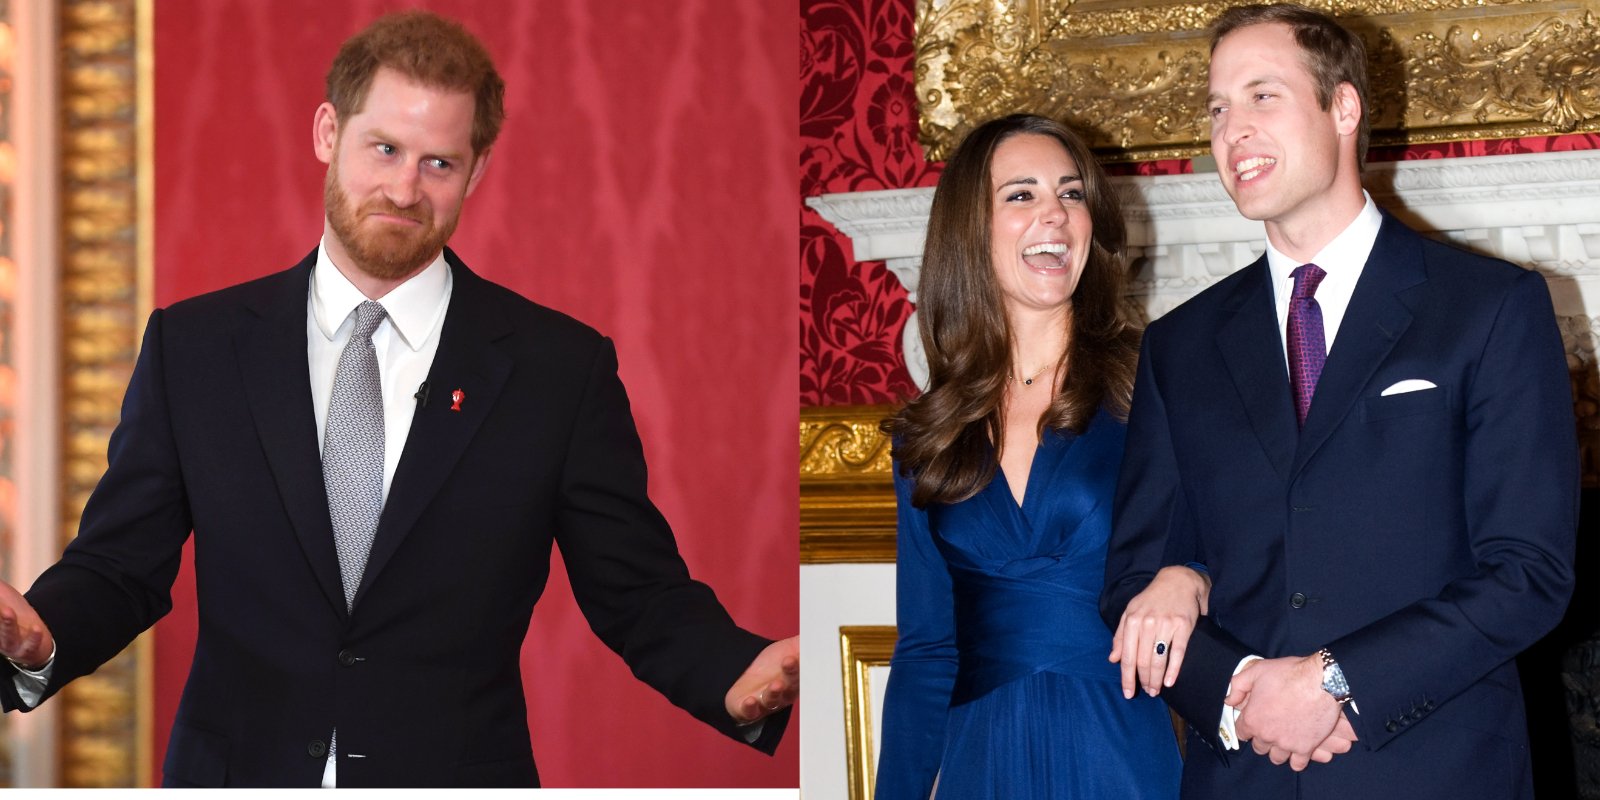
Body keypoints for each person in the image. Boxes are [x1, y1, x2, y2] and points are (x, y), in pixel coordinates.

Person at [0, 10, 797, 787]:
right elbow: (119, 565)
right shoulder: (196, 348)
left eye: (438, 163)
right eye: (383, 148)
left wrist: (734, 672)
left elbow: (637, 591)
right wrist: (41, 635)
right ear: (327, 134)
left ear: (477, 170)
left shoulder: (559, 369)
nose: (405, 189)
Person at [1101, 4, 1577, 798]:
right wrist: (1243, 690)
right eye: (1217, 109)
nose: (1232, 130)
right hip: (1241, 775)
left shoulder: (1491, 308)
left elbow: (1529, 572)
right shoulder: (1178, 347)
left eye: (1262, 97)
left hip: (1437, 771)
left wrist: (1334, 683)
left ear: (1344, 106)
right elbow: (1131, 584)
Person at [873, 113, 1203, 799]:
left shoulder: (1159, 388)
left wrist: (1189, 576)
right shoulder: (926, 434)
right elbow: (928, 649)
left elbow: (1242, 549)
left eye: (1072, 193)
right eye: (1021, 195)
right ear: (972, 230)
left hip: (1125, 752)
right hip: (979, 764)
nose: (1054, 213)